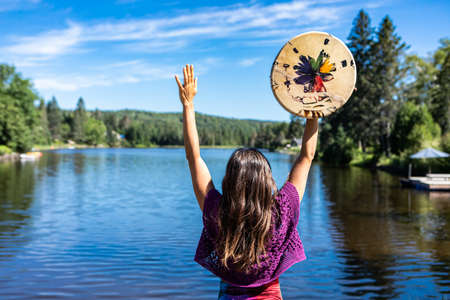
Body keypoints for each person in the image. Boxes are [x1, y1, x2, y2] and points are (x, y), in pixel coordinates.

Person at [175, 65, 318, 299]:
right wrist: (313, 110)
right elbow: (306, 157)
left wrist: (188, 105)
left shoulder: (217, 212)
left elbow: (194, 159)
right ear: (267, 181)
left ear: (230, 181)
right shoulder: (281, 211)